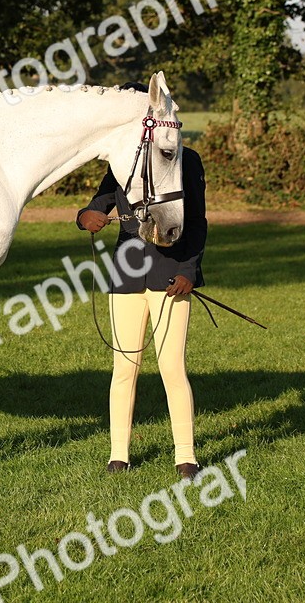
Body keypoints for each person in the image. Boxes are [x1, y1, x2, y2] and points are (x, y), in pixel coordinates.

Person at [76, 82, 207, 480]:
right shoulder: (123, 162)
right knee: (124, 368)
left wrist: (188, 271)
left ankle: (186, 457)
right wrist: (85, 217)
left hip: (170, 278)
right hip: (125, 277)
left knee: (172, 368)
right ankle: (119, 456)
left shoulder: (188, 161)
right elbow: (97, 206)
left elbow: (197, 222)